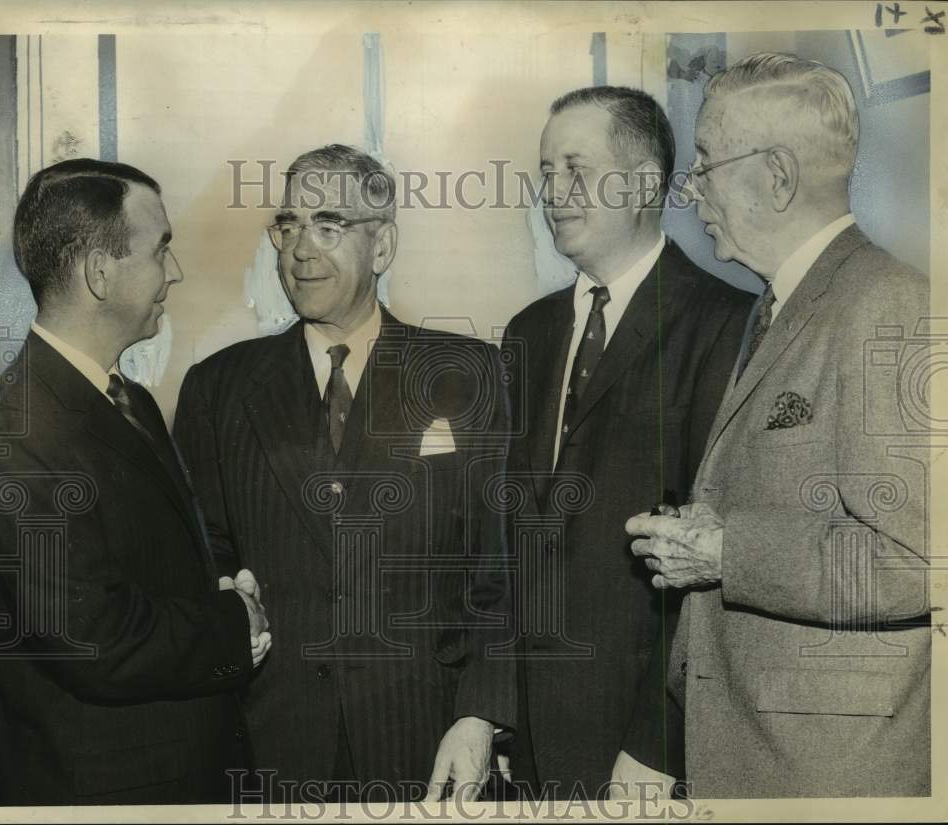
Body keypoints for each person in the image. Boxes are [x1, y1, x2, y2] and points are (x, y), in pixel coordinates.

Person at [627, 52, 931, 797]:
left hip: (826, 778)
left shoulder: (885, 305)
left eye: (705, 161)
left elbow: (919, 559)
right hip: (751, 759)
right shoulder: (782, 306)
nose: (690, 187)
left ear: (778, 176)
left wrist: (728, 551)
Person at [173, 144, 515, 802]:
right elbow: (198, 556)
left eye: (328, 226)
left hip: (430, 742)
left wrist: (479, 715)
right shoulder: (218, 388)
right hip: (269, 746)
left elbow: (502, 565)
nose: (300, 249)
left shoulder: (465, 373)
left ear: (381, 247)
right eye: (288, 226)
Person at [0, 158, 272, 805]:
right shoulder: (14, 433)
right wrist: (233, 623)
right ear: (100, 273)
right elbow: (93, 636)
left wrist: (220, 585)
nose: (176, 271)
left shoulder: (129, 399)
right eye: (161, 248)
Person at [499, 86, 753, 799]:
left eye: (576, 169)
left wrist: (657, 742)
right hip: (527, 739)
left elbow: (711, 573)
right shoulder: (528, 332)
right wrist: (489, 710)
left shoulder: (725, 326)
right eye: (546, 172)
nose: (554, 191)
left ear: (644, 183)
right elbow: (506, 542)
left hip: (643, 747)